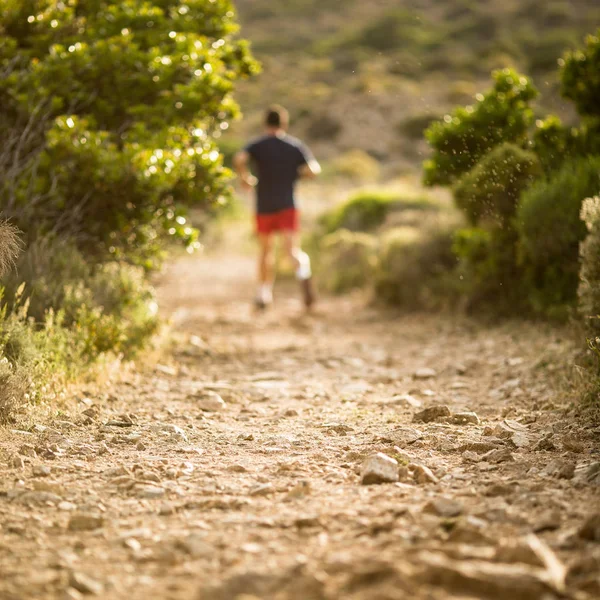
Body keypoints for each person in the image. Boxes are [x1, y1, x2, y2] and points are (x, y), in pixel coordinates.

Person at [234, 105, 321, 310]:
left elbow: (239, 159)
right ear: (284, 124)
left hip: (264, 204)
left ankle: (264, 294)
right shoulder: (294, 146)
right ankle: (304, 275)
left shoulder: (257, 145)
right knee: (291, 250)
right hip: (287, 204)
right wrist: (299, 175)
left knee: (265, 251)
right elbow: (314, 170)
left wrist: (245, 178)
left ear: (265, 123)